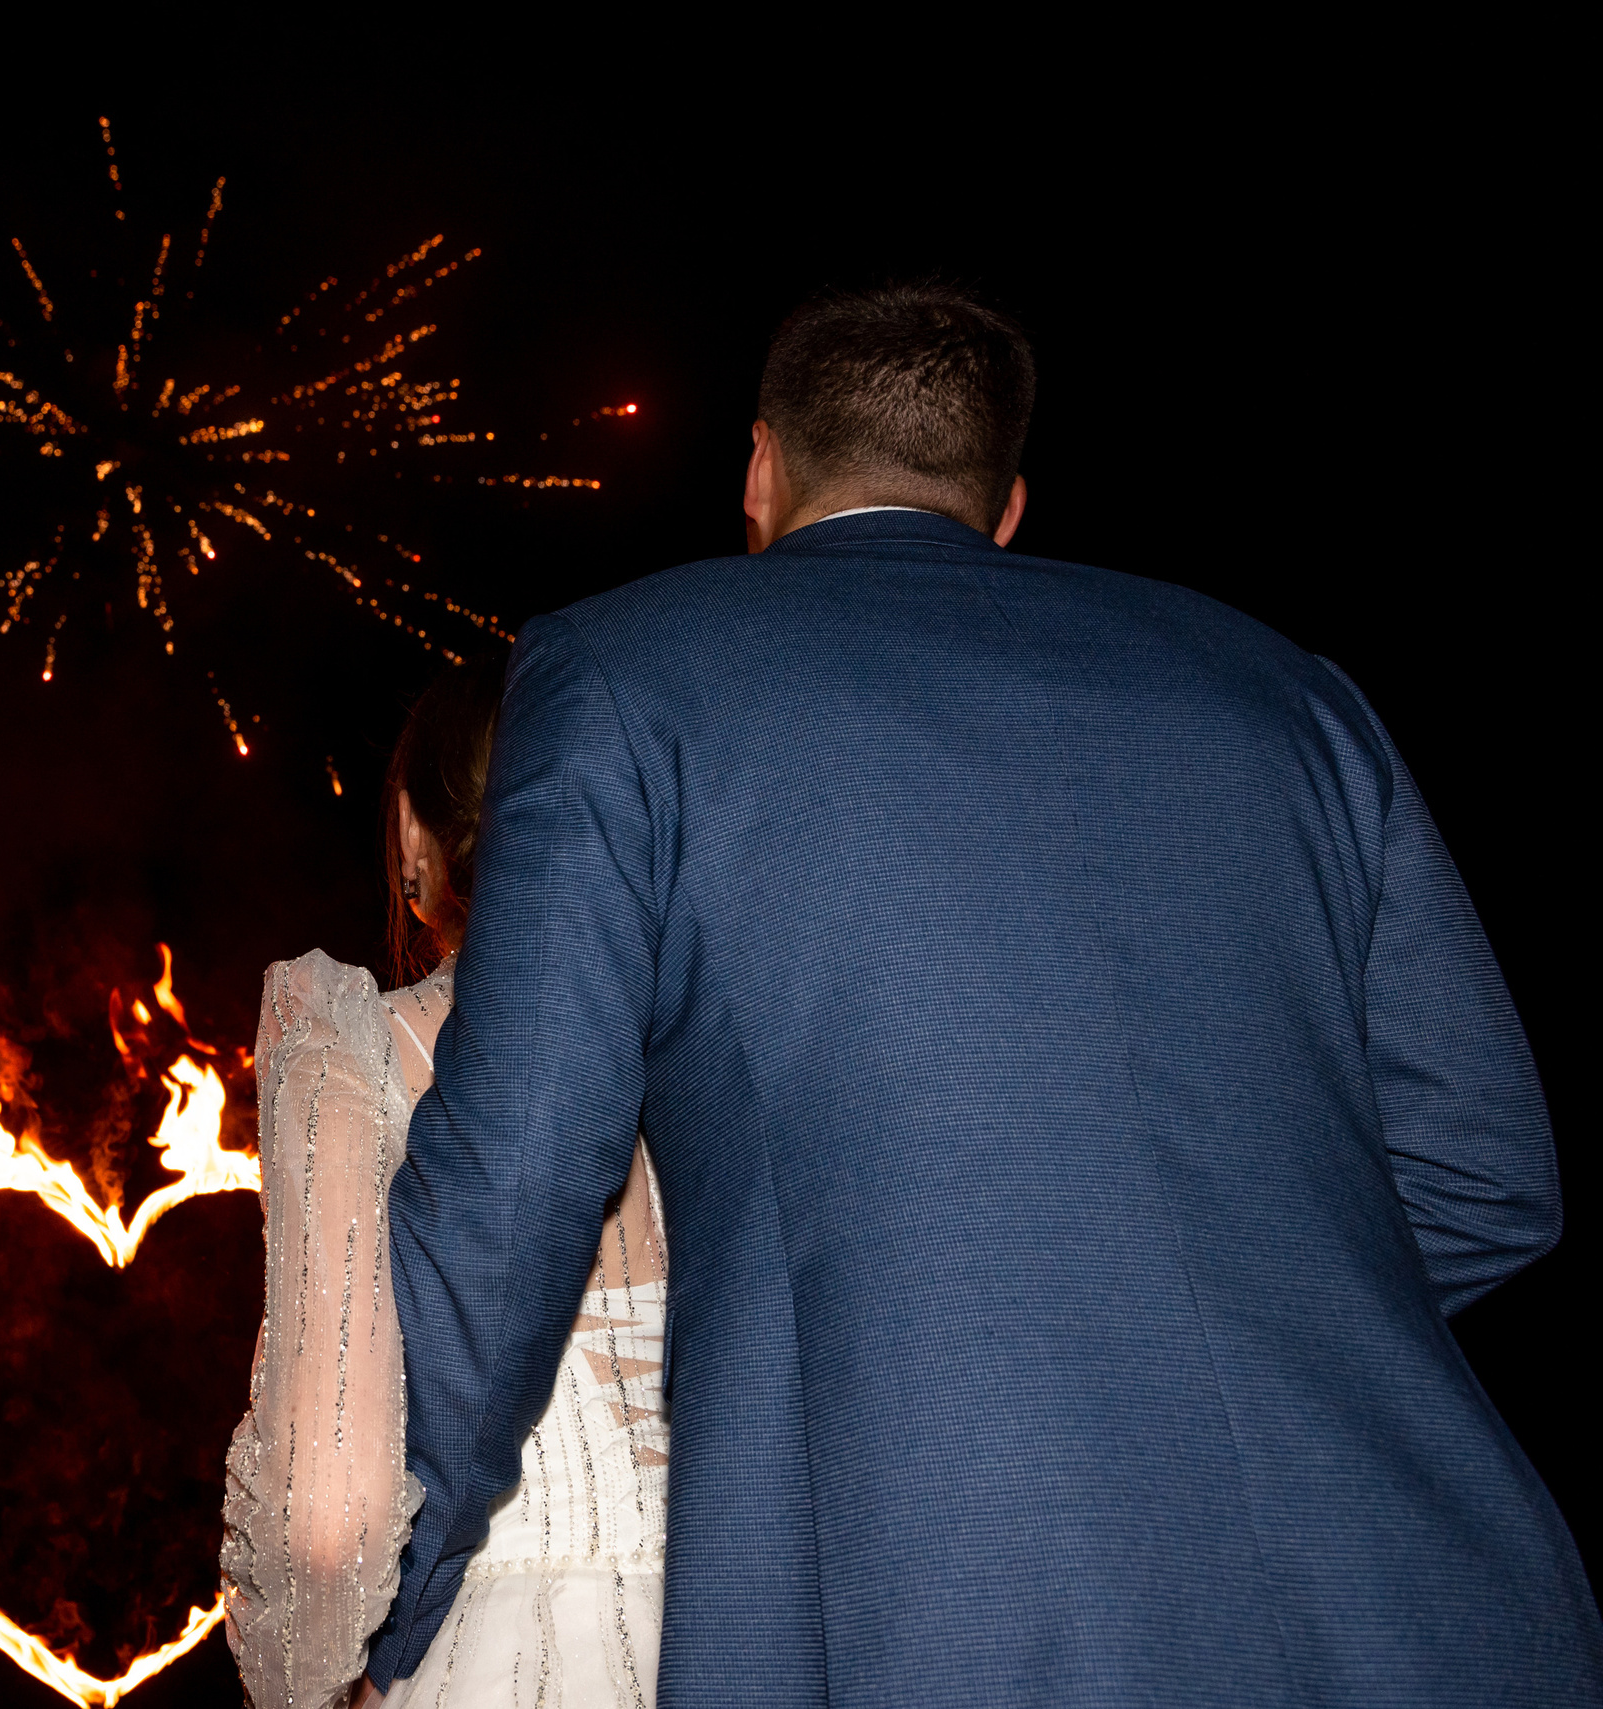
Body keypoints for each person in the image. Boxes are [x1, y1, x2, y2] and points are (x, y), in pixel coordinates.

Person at [371, 281, 1600, 1706]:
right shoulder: (1287, 690)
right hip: (1443, 1605)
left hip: (947, 1607)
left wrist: (392, 1603)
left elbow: (515, 1178)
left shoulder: (619, 672)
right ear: (1008, 505)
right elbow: (1487, 1175)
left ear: (758, 471)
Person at [222, 657, 673, 1708]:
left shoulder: (352, 1056)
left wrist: (300, 1682)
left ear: (416, 843)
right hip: (753, 1643)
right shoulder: (726, 1051)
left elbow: (327, 1513)